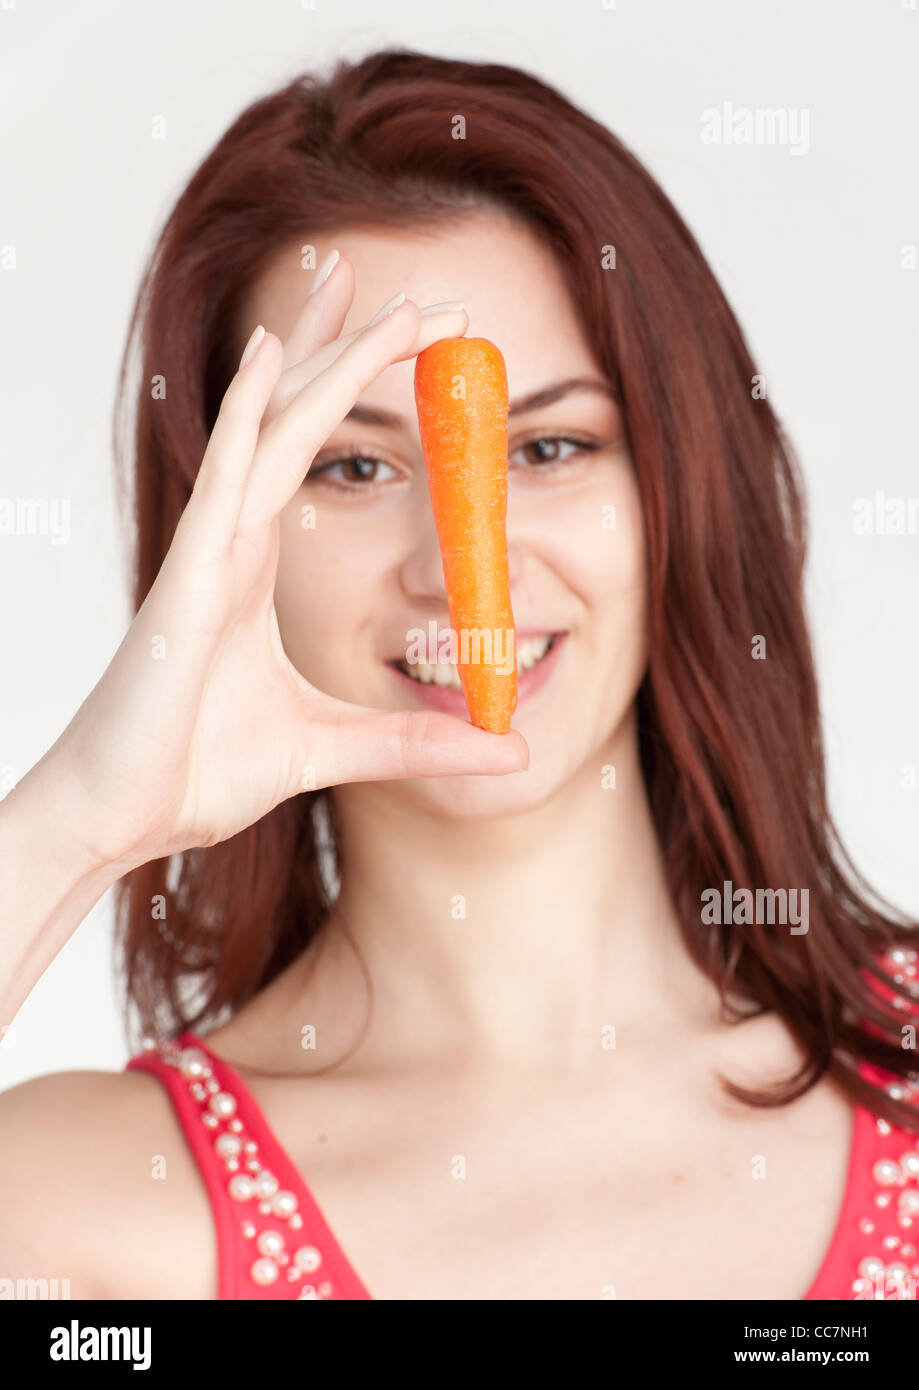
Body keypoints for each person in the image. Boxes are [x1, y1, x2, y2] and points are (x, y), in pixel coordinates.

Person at [1, 49, 917, 1302]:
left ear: (679, 500)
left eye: (548, 445)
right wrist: (77, 818)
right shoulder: (86, 1202)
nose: (453, 566)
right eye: (351, 468)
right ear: (225, 542)